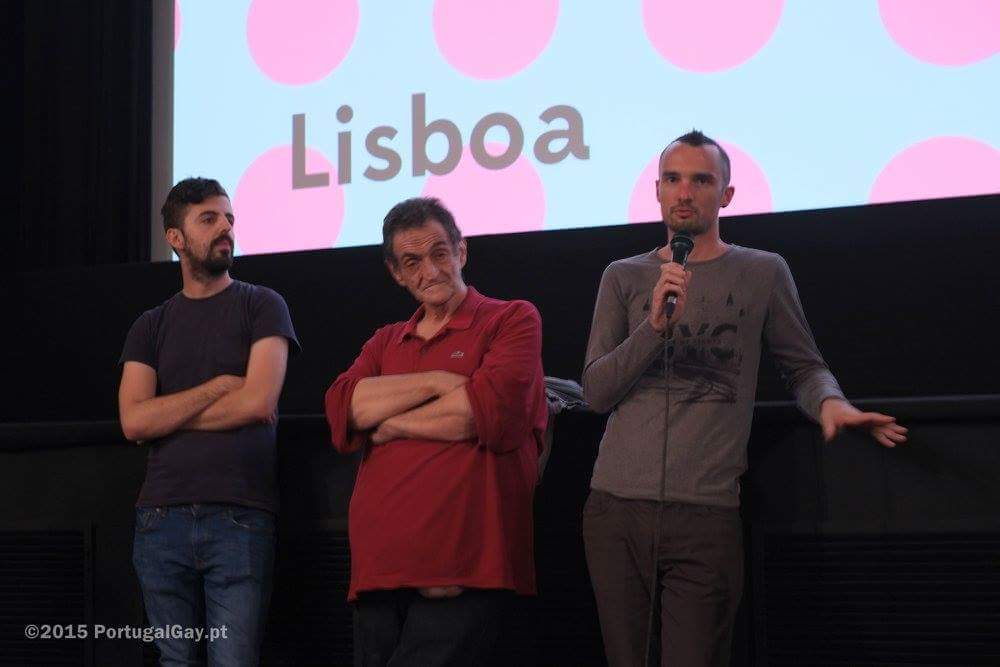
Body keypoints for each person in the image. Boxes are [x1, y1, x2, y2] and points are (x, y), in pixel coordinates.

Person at [581, 131, 908, 667]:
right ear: (657, 191)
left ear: (726, 195)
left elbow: (804, 366)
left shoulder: (762, 271)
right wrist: (654, 327)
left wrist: (831, 404)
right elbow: (596, 392)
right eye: (672, 179)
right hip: (615, 509)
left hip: (705, 513)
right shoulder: (623, 277)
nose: (684, 192)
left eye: (701, 180)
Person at [324, 197, 547, 666]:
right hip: (379, 571)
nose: (430, 271)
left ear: (461, 251)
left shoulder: (511, 319)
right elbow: (343, 406)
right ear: (397, 273)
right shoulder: (385, 341)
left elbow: (484, 413)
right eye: (412, 262)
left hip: (461, 568)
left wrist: (390, 422)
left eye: (439, 253)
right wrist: (435, 383)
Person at [118, 177, 299, 665]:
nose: (226, 228)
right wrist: (218, 387)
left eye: (229, 218)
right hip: (159, 518)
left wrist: (166, 415)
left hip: (239, 516)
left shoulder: (263, 304)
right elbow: (133, 422)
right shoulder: (150, 325)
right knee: (174, 661)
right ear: (175, 238)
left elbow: (257, 402)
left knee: (233, 660)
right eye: (209, 219)